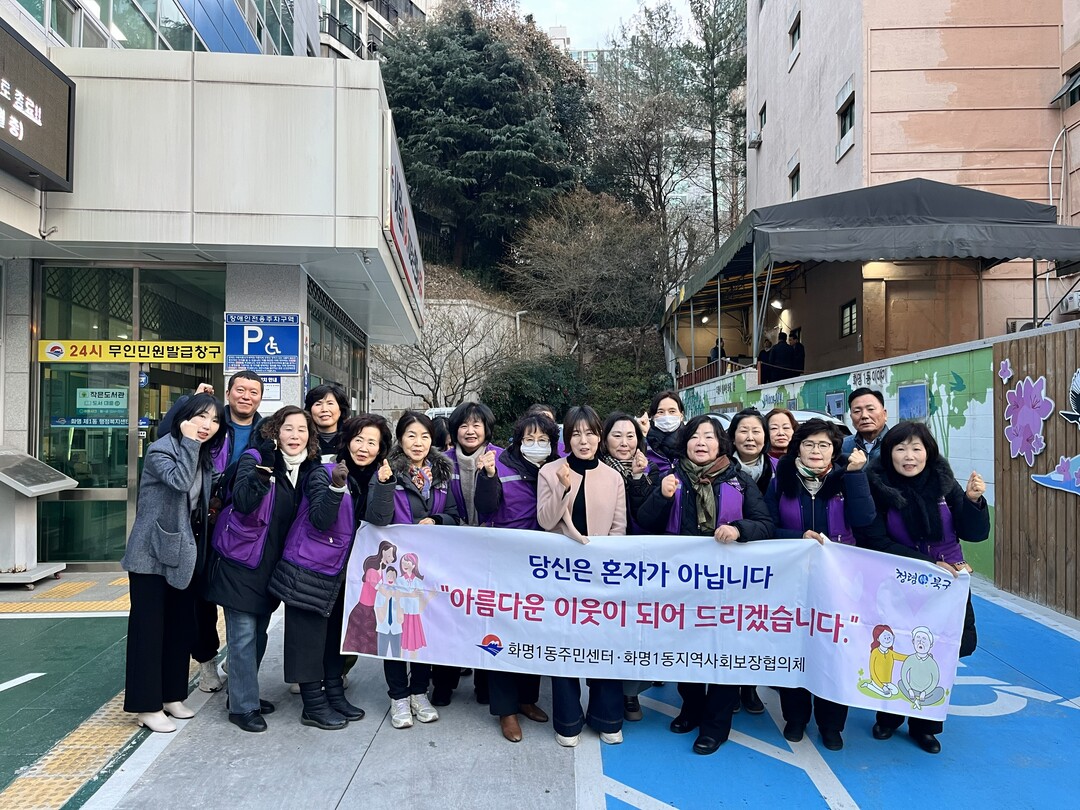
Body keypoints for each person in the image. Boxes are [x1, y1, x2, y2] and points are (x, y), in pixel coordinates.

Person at [636, 415, 774, 755]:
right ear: (685, 443)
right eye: (695, 436)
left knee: (724, 652)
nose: (701, 442)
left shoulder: (739, 480)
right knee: (686, 649)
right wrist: (662, 496)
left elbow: (765, 523)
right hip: (681, 585)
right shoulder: (669, 477)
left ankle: (716, 726)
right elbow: (645, 522)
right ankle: (691, 708)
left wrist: (740, 529)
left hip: (728, 588)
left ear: (721, 444)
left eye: (709, 436)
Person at [860, 421, 989, 754]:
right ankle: (888, 717)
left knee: (939, 652)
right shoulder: (877, 486)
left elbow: (973, 533)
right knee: (895, 646)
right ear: (888, 454)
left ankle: (926, 726)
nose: (909, 456)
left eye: (916, 448)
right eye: (900, 448)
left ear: (928, 452)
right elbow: (875, 539)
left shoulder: (944, 483)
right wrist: (927, 564)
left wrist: (973, 502)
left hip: (947, 586)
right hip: (900, 584)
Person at [269, 413, 391, 730]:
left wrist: (385, 484)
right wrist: (336, 486)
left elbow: (380, 520)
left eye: (372, 442)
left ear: (380, 449)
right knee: (308, 640)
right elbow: (321, 520)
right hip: (310, 570)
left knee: (335, 638)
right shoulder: (322, 473)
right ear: (346, 442)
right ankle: (312, 705)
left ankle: (335, 694)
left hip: (344, 574)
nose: (364, 447)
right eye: (359, 440)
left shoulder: (371, 479)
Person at [204, 405, 319, 733]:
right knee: (242, 636)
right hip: (240, 562)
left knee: (258, 635)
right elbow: (242, 501)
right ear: (275, 432)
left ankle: (243, 692)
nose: (295, 435)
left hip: (269, 566)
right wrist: (262, 470)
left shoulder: (305, 470)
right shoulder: (255, 458)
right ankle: (242, 707)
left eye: (302, 430)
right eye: (288, 428)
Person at [764, 419, 873, 750]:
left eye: (824, 445)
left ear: (834, 450)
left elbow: (865, 520)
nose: (816, 450)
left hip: (841, 582)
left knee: (834, 650)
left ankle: (832, 725)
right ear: (797, 448)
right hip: (792, 581)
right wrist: (798, 537)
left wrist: (856, 476)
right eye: (809, 444)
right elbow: (767, 526)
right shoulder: (780, 481)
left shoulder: (847, 478)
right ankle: (795, 718)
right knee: (794, 647)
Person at [121, 393, 226, 733]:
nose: (207, 425)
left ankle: (171, 696)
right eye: (200, 417)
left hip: (183, 554)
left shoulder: (204, 456)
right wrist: (190, 442)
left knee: (180, 626)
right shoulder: (161, 450)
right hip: (150, 555)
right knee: (148, 631)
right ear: (183, 418)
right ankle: (146, 706)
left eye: (214, 420)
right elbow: (179, 482)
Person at [158, 371, 264, 693]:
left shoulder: (266, 431)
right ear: (228, 393)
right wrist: (188, 404)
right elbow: (167, 434)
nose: (246, 396)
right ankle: (206, 660)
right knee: (199, 597)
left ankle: (237, 659)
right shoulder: (212, 421)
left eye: (253, 392)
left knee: (243, 595)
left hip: (246, 527)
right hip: (204, 522)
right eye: (240, 390)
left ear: (260, 398)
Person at [537, 405, 627, 748]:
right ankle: (568, 720)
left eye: (590, 433)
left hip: (602, 574)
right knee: (564, 644)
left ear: (599, 437)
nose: (584, 440)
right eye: (576, 434)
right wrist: (563, 489)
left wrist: (606, 564)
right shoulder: (550, 472)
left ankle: (607, 717)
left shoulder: (613, 477)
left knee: (605, 642)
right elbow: (546, 521)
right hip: (562, 574)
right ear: (566, 439)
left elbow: (618, 528)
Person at [364, 411, 461, 729]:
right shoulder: (387, 470)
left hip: (428, 569)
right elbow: (377, 518)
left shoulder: (442, 473)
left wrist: (437, 520)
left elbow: (454, 514)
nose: (418, 442)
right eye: (411, 435)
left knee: (421, 631)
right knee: (393, 631)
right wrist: (384, 485)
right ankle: (398, 697)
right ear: (400, 439)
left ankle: (419, 692)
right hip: (395, 570)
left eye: (424, 436)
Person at [474, 411, 560, 741]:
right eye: (529, 439)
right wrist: (488, 476)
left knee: (533, 632)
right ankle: (506, 710)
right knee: (502, 633)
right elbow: (485, 507)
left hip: (541, 566)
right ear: (518, 440)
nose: (536, 445)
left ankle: (526, 699)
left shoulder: (556, 468)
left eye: (543, 440)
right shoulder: (499, 463)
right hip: (504, 564)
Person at [436, 401, 501, 706]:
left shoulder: (501, 458)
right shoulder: (441, 462)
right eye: (463, 425)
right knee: (449, 615)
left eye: (477, 424)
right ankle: (444, 682)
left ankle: (485, 682)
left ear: (487, 429)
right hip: (451, 549)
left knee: (488, 616)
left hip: (490, 550)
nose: (470, 430)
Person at [597, 411, 654, 721]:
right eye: (617, 435)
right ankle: (605, 691)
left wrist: (638, 480)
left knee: (636, 629)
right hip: (604, 563)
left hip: (638, 563)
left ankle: (631, 693)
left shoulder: (649, 470)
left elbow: (649, 517)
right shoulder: (596, 470)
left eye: (630, 436)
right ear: (604, 440)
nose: (624, 442)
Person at [641, 391, 685, 478]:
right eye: (660, 412)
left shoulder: (691, 441)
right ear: (652, 417)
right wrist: (641, 436)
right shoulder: (645, 443)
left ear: (681, 415)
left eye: (672, 411)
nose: (666, 416)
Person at [305, 383, 350, 463]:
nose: (324, 409)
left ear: (341, 409)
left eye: (330, 403)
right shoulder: (303, 438)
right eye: (318, 404)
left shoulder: (351, 437)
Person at [842, 388, 890, 462]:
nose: (864, 416)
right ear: (851, 417)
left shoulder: (898, 443)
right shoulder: (843, 446)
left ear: (884, 414)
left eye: (870, 409)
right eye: (857, 411)